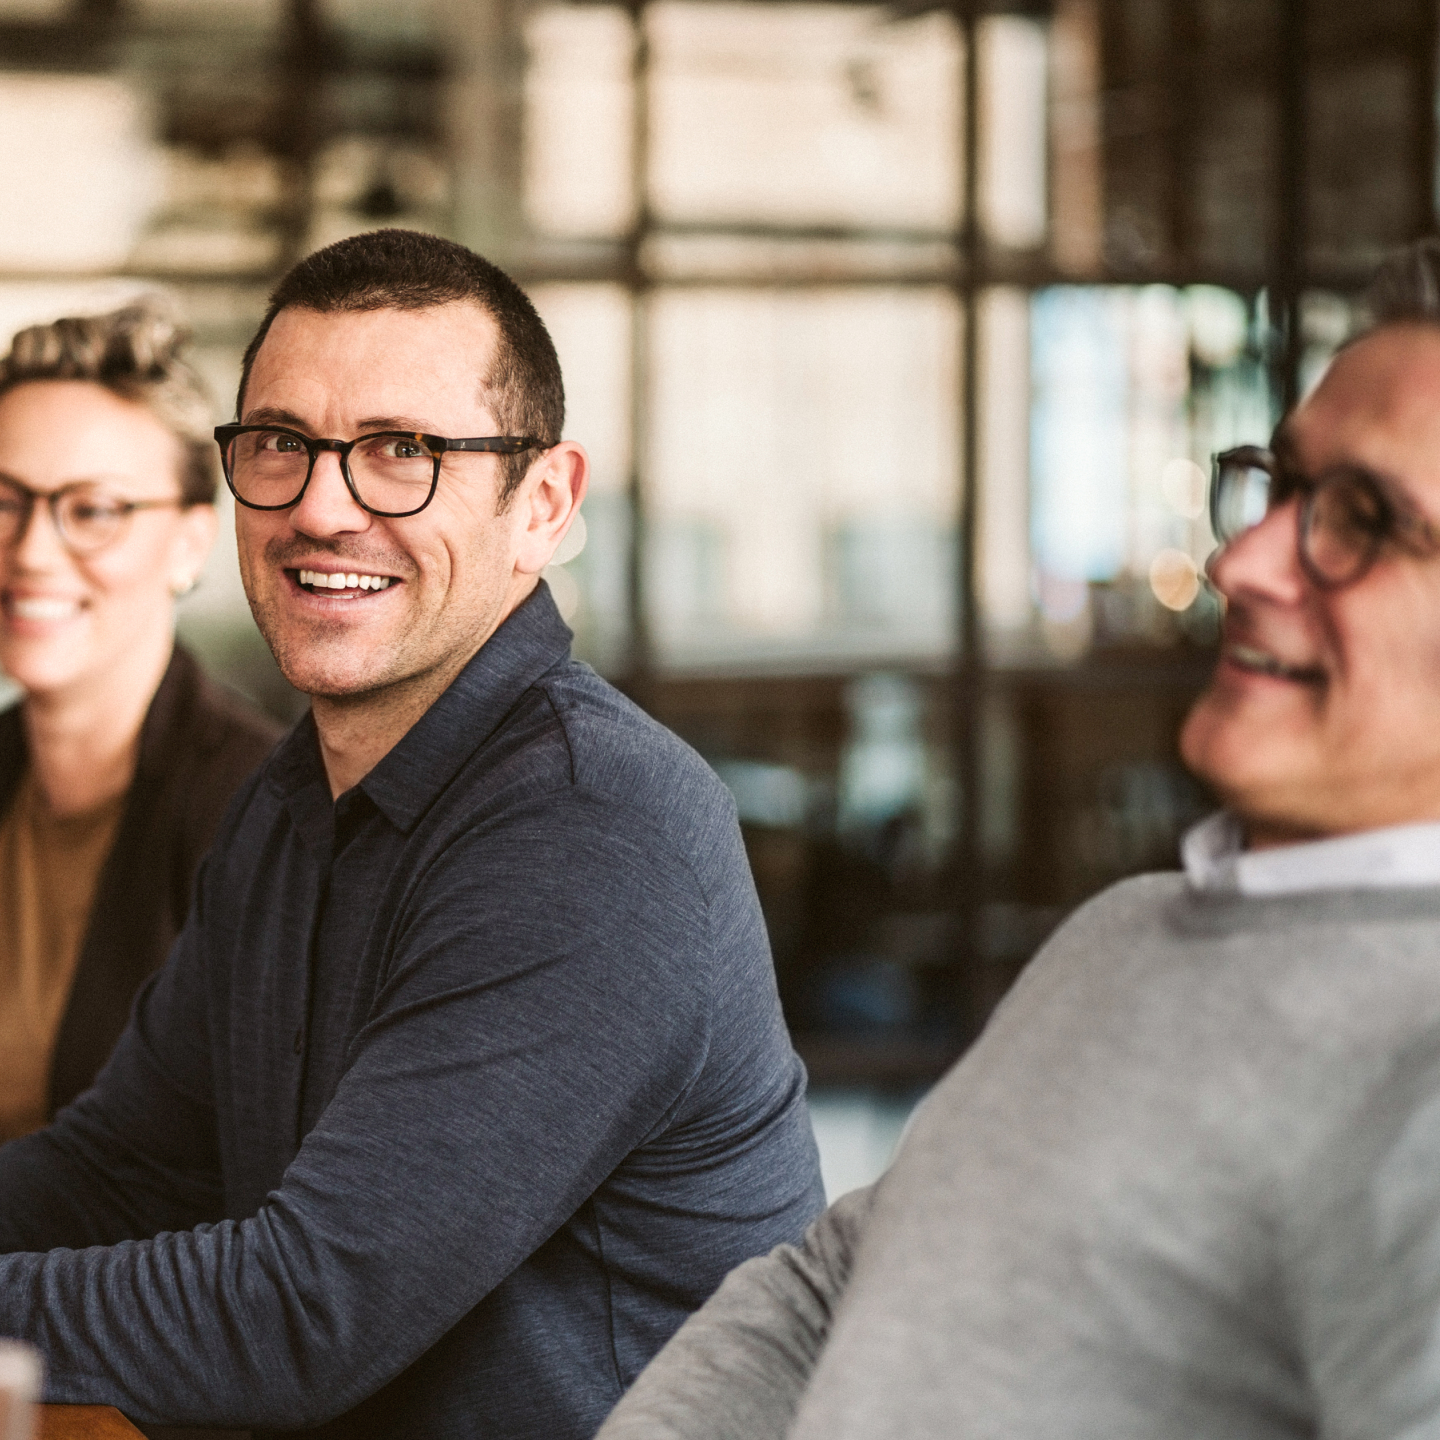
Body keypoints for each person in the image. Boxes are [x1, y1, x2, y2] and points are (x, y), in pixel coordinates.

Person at [596, 236, 1440, 1440]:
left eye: (1361, 520)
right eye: (1281, 484)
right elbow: (832, 1287)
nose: (1245, 558)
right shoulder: (1130, 931)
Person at [0, 229, 823, 1438]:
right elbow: (124, 1168)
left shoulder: (594, 827)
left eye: (404, 452)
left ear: (541, 503)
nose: (323, 506)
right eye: (281, 443)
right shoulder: (295, 800)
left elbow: (300, 1313)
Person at [0, 300, 280, 1143]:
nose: (32, 552)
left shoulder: (259, 815)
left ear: (192, 542)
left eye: (94, 510)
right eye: (4, 500)